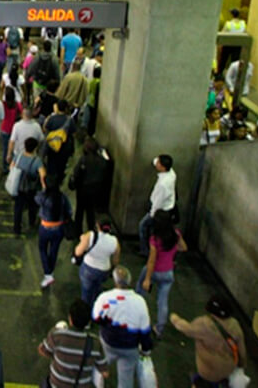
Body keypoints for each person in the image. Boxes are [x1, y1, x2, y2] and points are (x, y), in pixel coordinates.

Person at [92, 266, 153, 388]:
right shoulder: (140, 302)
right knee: (126, 379)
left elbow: (96, 318)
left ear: (115, 281)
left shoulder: (105, 298)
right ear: (130, 281)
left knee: (100, 366)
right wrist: (146, 350)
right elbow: (145, 331)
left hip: (108, 343)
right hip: (130, 348)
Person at [170, 294, 247, 388]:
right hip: (228, 369)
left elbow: (186, 329)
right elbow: (242, 352)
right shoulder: (235, 324)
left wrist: (174, 319)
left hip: (208, 372)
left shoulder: (204, 324)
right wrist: (240, 366)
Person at [137, 209, 188, 337]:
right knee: (163, 301)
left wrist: (147, 279)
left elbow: (151, 261)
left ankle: (136, 315)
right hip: (168, 273)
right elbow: (184, 247)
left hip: (155, 271)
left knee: (139, 291)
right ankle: (159, 328)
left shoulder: (155, 239)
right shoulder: (176, 234)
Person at [38, 299, 109, 388]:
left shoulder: (57, 335)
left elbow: (42, 350)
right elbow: (105, 373)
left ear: (70, 318)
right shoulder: (95, 342)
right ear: (88, 322)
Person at [74, 215, 120, 305]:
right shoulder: (115, 241)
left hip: (88, 269)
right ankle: (96, 308)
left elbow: (78, 252)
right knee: (97, 291)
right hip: (103, 271)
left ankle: (86, 310)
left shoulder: (90, 236)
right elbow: (115, 261)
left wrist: (82, 240)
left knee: (86, 294)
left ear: (97, 225)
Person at [36, 175, 72, 288]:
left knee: (42, 249)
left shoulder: (43, 197)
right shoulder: (62, 197)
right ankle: (50, 272)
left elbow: (36, 199)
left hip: (45, 228)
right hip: (59, 228)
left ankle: (48, 273)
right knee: (54, 250)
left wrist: (43, 188)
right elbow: (69, 211)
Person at [138, 154, 176, 257]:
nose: (156, 163)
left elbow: (158, 202)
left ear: (163, 167)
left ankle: (145, 251)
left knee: (143, 226)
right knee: (152, 229)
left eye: (158, 163)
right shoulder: (171, 173)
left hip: (160, 210)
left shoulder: (163, 185)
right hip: (166, 207)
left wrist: (152, 214)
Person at [69, 138, 110, 232]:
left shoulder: (84, 160)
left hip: (83, 190)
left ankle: (78, 231)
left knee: (80, 211)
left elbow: (77, 174)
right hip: (95, 190)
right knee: (90, 211)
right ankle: (91, 229)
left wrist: (73, 184)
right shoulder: (102, 161)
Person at [11, 137, 41, 235]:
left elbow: (11, 166)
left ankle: (16, 229)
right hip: (31, 188)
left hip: (19, 186)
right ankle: (31, 222)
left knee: (18, 208)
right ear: (35, 148)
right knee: (32, 206)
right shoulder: (37, 161)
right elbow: (43, 174)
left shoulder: (18, 156)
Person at [41, 98, 76, 181]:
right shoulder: (70, 120)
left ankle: (50, 180)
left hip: (52, 146)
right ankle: (59, 180)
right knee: (61, 165)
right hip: (64, 147)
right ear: (66, 108)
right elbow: (73, 133)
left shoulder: (52, 118)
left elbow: (45, 129)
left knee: (51, 164)